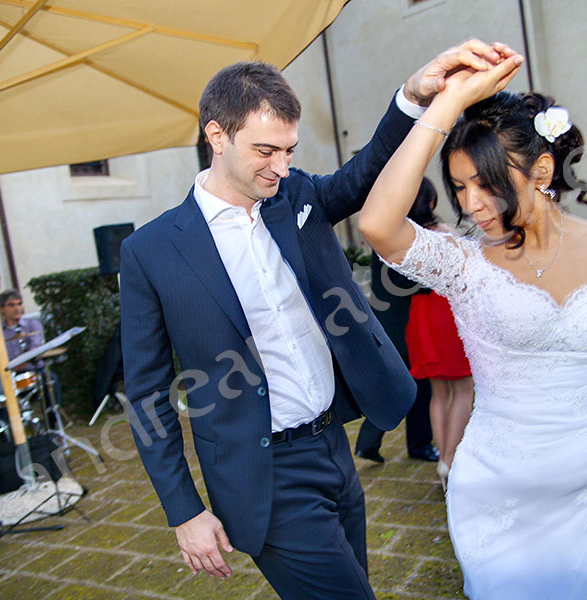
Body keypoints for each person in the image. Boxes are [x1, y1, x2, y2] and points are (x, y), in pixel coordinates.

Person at [120, 40, 506, 599]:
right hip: (265, 478)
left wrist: (414, 95)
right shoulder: (151, 251)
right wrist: (184, 511)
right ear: (217, 136)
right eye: (265, 151)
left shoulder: (295, 195)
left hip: (335, 448)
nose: (282, 166)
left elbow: (366, 170)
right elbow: (148, 395)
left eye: (289, 150)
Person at [358, 44, 587, 598]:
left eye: (486, 182)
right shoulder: (463, 262)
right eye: (460, 186)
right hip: (505, 499)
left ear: (543, 170)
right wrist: (447, 105)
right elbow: (379, 223)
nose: (472, 202)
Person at [353, 192, 440, 465]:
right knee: (417, 387)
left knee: (392, 388)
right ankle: (419, 445)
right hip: (402, 324)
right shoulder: (403, 237)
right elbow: (406, 282)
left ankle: (369, 443)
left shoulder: (388, 231)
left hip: (386, 320)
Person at [400, 177, 474, 488]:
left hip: (419, 314)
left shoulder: (405, 236)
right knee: (463, 388)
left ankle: (444, 459)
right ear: (430, 202)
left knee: (439, 392)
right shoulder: (444, 235)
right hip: (446, 312)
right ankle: (450, 461)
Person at [0, 289, 61, 416]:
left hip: (33, 372)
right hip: (10, 376)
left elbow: (35, 350)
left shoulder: (32, 325)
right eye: (11, 305)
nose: (17, 308)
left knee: (51, 380)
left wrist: (20, 363)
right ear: (2, 308)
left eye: (19, 304)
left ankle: (53, 423)